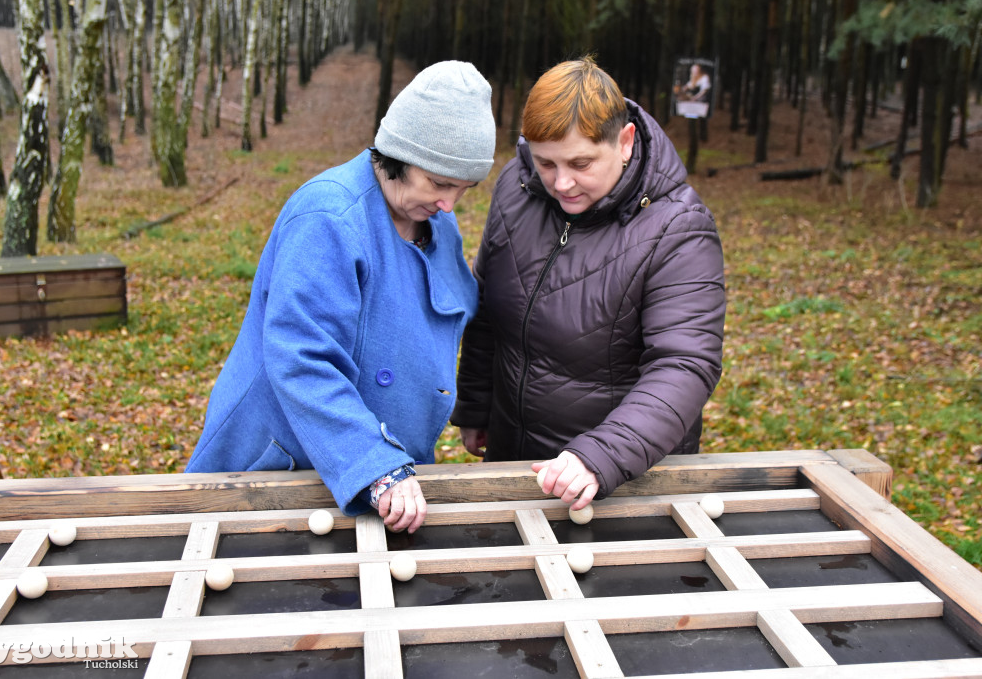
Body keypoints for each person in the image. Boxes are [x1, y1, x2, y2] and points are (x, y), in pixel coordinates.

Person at [186, 61, 496, 534]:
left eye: (463, 189)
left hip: (387, 468)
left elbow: (458, 312)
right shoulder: (329, 217)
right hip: (287, 468)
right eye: (440, 183)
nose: (450, 204)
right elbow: (302, 358)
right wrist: (373, 463)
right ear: (398, 154)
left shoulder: (436, 221)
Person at [452, 57, 725, 510]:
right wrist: (477, 407)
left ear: (624, 141)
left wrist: (599, 456)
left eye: (581, 163)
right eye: (545, 163)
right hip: (516, 466)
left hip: (615, 481)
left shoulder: (679, 230)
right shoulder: (517, 189)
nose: (562, 182)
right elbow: (489, 307)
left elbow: (684, 364)